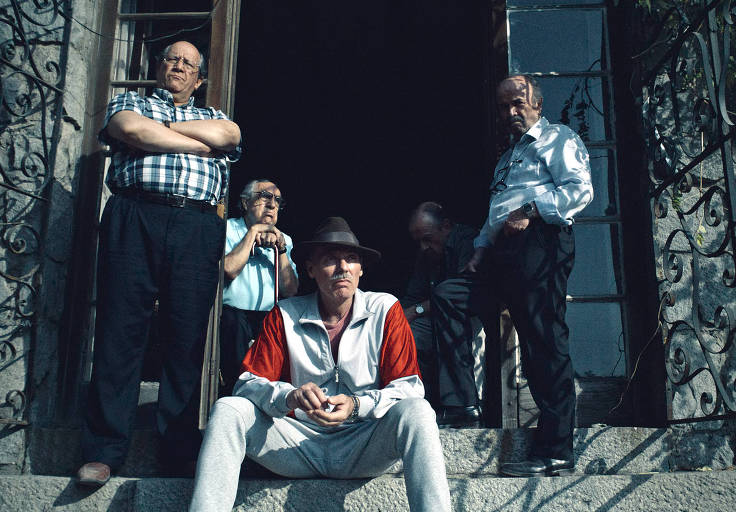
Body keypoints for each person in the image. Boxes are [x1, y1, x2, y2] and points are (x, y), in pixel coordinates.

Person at [189, 217, 451, 512]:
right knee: (228, 409)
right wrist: (290, 396)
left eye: (351, 259)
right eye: (330, 260)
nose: (342, 268)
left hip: (362, 443)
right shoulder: (285, 314)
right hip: (296, 445)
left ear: (361, 269)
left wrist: (356, 405)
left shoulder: (385, 309)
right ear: (311, 270)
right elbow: (248, 384)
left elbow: (409, 388)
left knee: (417, 411)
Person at [76, 41, 241, 486]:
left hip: (197, 226)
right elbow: (130, 129)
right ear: (160, 65)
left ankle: (177, 451)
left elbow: (230, 137)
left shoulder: (216, 116)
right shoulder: (131, 101)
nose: (180, 66)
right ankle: (103, 451)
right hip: (135, 215)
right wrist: (188, 136)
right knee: (120, 330)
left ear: (199, 79)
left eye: (189, 63)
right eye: (173, 58)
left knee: (187, 337)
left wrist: (161, 130)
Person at [464, 74, 593, 477]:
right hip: (501, 251)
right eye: (504, 107)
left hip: (540, 242)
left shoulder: (558, 139)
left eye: (518, 103)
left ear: (537, 102)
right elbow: (497, 210)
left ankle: (556, 449)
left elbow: (580, 190)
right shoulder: (508, 157)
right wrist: (480, 249)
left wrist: (533, 210)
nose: (510, 112)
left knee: (542, 339)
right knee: (452, 298)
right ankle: (461, 408)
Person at [402, 202, 482, 427]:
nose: (423, 246)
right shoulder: (426, 254)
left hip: (472, 315)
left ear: (446, 226)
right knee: (406, 334)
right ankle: (420, 406)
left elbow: (457, 295)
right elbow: (412, 297)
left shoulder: (467, 240)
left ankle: (461, 407)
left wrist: (417, 310)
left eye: (427, 238)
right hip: (436, 317)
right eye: (418, 241)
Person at [219, 179, 298, 394]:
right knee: (233, 324)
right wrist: (252, 233)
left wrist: (281, 250)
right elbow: (229, 269)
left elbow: (290, 290)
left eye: (278, 201)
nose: (273, 205)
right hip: (232, 316)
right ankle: (237, 392)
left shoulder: (285, 239)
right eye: (266, 197)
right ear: (245, 203)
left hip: (267, 315)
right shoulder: (227, 228)